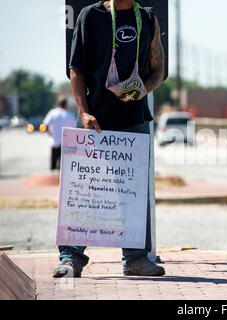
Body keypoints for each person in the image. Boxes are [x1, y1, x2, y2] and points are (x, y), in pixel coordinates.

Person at [53, 0, 165, 278]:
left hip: (135, 121)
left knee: (134, 192)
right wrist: (84, 112)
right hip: (96, 120)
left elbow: (158, 69)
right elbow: (76, 69)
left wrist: (143, 89)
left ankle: (136, 259)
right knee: (83, 191)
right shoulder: (91, 16)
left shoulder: (147, 18)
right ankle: (70, 258)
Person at [43, 97, 76, 170]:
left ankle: (52, 179)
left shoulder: (52, 113)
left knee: (53, 165)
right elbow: (75, 128)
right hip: (66, 143)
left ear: (58, 104)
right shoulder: (70, 115)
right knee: (63, 167)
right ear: (66, 104)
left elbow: (45, 125)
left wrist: (49, 133)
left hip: (54, 141)